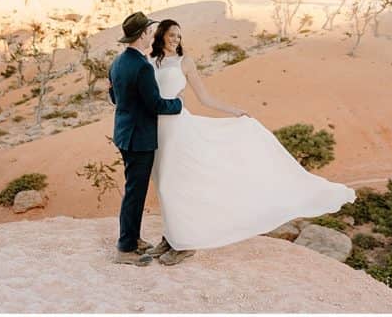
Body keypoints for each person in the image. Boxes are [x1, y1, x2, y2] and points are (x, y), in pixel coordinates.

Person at [142, 19, 356, 265]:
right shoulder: (151, 62)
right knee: (162, 184)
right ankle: (170, 239)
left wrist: (234, 111)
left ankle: (184, 244)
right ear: (161, 36)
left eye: (179, 36)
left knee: (173, 185)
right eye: (172, 35)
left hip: (178, 129)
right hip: (156, 129)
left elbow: (204, 97)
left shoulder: (185, 62)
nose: (176, 39)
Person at [107, 11, 183, 266]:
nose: (152, 35)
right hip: (140, 139)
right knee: (135, 194)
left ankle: (134, 239)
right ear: (142, 36)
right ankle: (125, 248)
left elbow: (114, 97)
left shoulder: (117, 62)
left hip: (124, 133)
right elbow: (155, 105)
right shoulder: (141, 66)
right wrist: (178, 104)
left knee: (133, 191)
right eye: (149, 31)